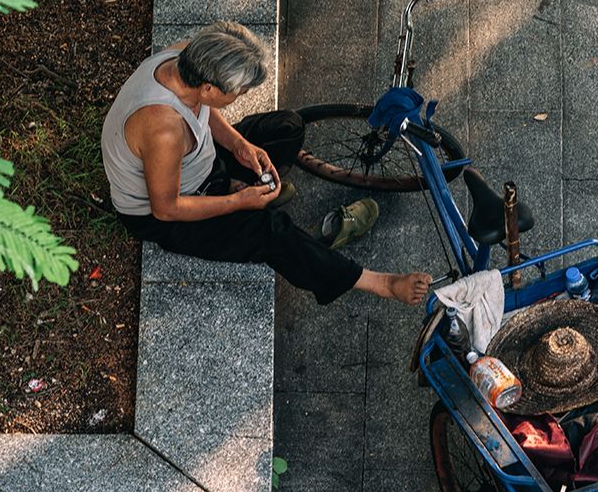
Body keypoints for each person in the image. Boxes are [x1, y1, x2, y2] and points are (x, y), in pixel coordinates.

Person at [100, 21, 432, 307]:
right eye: (238, 91)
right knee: (271, 232)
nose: (241, 96)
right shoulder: (163, 130)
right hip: (164, 214)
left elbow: (200, 109)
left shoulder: (185, 56)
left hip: (198, 168)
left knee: (287, 127)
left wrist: (238, 144)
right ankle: (378, 282)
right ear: (209, 86)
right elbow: (166, 209)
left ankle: (237, 186)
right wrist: (235, 202)